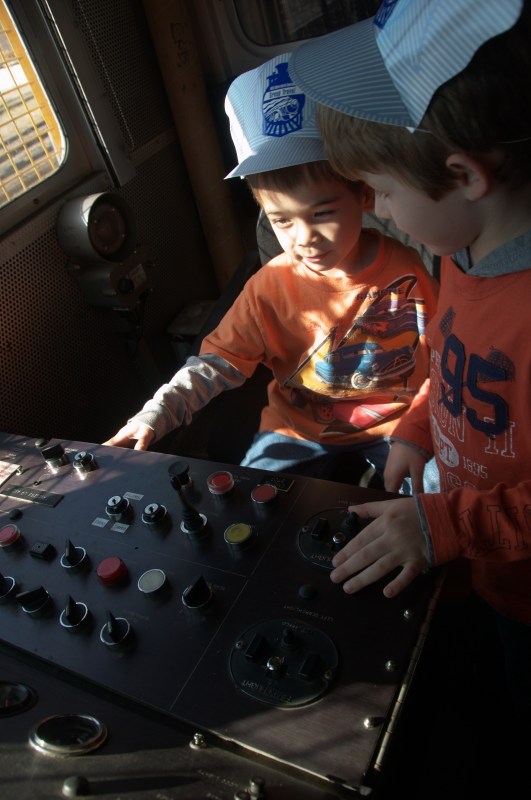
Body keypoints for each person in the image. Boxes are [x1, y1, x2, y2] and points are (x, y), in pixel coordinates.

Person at [290, 0, 531, 726]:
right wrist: (419, 426)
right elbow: (449, 362)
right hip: (485, 561)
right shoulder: (463, 250)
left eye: (384, 191)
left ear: (463, 174)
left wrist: (438, 528)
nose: (380, 212)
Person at [104, 52, 438, 484]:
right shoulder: (268, 289)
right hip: (300, 430)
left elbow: (446, 353)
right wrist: (159, 412)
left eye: (322, 214)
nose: (304, 238)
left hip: (397, 427)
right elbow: (214, 364)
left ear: (365, 197)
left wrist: (416, 432)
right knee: (253, 502)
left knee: (437, 496)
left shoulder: (406, 269)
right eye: (282, 220)